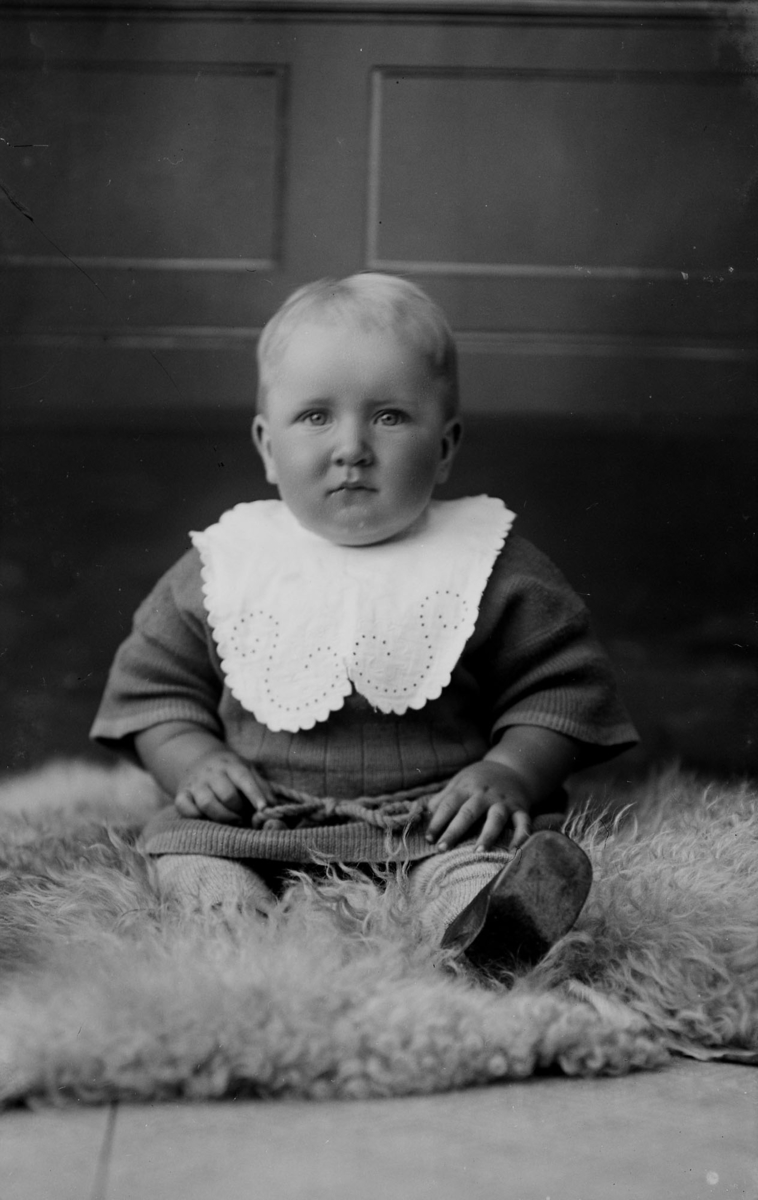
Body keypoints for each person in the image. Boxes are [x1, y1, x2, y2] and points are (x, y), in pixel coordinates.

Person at [91, 273, 637, 964]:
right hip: (255, 821)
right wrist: (195, 762)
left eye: (390, 416)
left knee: (476, 860)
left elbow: (562, 691)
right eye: (315, 417)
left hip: (433, 819)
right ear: (267, 446)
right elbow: (153, 693)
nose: (351, 446)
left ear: (445, 446)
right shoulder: (224, 565)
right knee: (196, 860)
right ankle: (235, 931)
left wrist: (510, 771)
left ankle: (482, 932)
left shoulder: (492, 567)